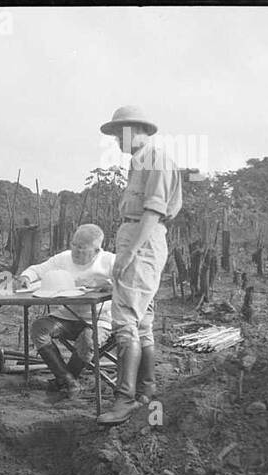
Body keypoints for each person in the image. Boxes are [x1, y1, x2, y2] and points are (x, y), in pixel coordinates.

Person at [97, 106, 183, 424]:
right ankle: (146, 390)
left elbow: (152, 214)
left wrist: (129, 253)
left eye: (121, 132)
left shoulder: (156, 160)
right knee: (142, 321)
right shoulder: (140, 161)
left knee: (125, 322)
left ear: (138, 130)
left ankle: (124, 399)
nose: (118, 139)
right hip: (137, 238)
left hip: (142, 243)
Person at [15, 224, 115, 399]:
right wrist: (26, 277)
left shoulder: (110, 261)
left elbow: (131, 284)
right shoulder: (63, 259)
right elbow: (38, 269)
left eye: (81, 247)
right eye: (74, 244)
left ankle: (65, 379)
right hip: (66, 317)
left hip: (99, 319)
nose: (75, 250)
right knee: (40, 328)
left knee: (87, 339)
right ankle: (69, 381)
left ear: (97, 249)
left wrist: (111, 286)